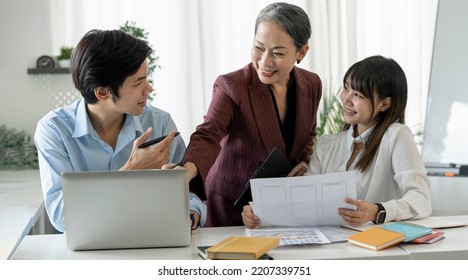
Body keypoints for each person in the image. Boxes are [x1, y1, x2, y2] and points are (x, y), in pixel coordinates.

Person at [34, 29, 206, 233]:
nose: (148, 89)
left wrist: (191, 216)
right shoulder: (54, 130)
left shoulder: (159, 123)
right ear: (102, 92)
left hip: (153, 240)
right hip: (88, 252)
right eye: (137, 82)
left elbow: (189, 194)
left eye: (146, 78)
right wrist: (130, 172)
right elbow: (62, 216)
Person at [242, 55, 432, 228]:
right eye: (347, 89)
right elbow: (304, 199)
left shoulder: (396, 136)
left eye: (358, 95)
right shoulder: (326, 144)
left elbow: (421, 199)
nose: (346, 100)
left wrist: (376, 210)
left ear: (385, 103)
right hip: (331, 245)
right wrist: (259, 212)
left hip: (376, 247)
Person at [176, 3, 322, 227]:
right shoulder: (233, 86)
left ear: (301, 52)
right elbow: (209, 133)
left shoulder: (312, 84)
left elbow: (309, 133)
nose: (264, 61)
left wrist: (303, 162)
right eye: (259, 47)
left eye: (278, 53)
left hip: (276, 206)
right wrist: (186, 172)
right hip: (229, 204)